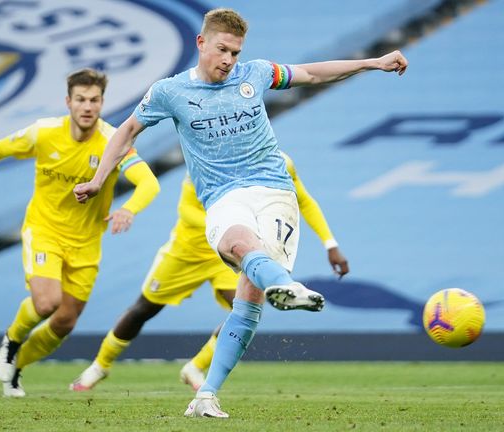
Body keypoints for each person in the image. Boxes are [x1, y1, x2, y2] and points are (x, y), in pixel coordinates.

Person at [73, 8, 406, 418]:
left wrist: (371, 63)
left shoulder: (256, 74)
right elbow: (125, 132)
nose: (228, 60)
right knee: (236, 241)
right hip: (223, 196)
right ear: (201, 43)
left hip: (274, 192)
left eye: (235, 52)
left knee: (249, 302)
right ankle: (287, 286)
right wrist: (98, 179)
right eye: (222, 50)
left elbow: (314, 73)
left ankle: (206, 395)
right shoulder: (170, 92)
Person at [0, 68, 160, 397]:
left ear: (103, 103)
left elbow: (149, 183)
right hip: (44, 230)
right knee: (47, 302)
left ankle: (17, 367)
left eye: (94, 100)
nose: (87, 107)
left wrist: (128, 209)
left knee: (64, 322)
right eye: (81, 100)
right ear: (68, 102)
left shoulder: (112, 141)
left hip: (87, 244)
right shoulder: (44, 133)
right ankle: (13, 338)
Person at [69, 151, 350, 392]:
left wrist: (330, 243)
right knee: (143, 309)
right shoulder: (207, 164)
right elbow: (186, 210)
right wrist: (231, 222)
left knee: (243, 310)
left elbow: (303, 200)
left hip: (233, 253)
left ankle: (196, 367)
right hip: (187, 250)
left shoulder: (280, 163)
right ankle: (100, 365)